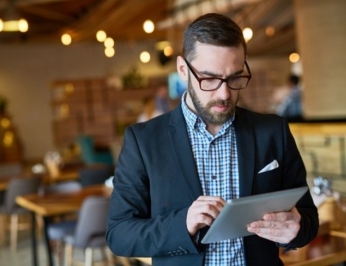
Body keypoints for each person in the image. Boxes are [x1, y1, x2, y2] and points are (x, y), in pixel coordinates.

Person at [106, 13, 318, 266]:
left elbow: (307, 218)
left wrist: (296, 229)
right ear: (183, 70)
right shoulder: (143, 141)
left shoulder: (273, 131)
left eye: (235, 77)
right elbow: (119, 234)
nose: (224, 93)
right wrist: (183, 224)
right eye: (210, 79)